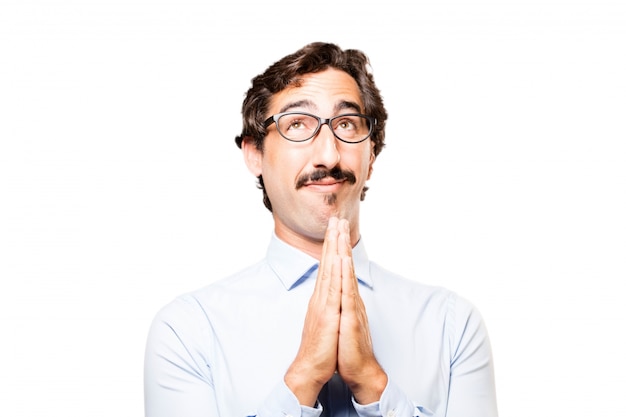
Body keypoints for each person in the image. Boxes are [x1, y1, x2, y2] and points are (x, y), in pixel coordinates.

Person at [144, 42, 498, 417]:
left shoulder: (452, 325)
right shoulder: (188, 331)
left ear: (371, 155)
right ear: (254, 154)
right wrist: (303, 378)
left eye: (346, 124)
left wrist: (372, 383)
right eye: (298, 124)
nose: (329, 156)